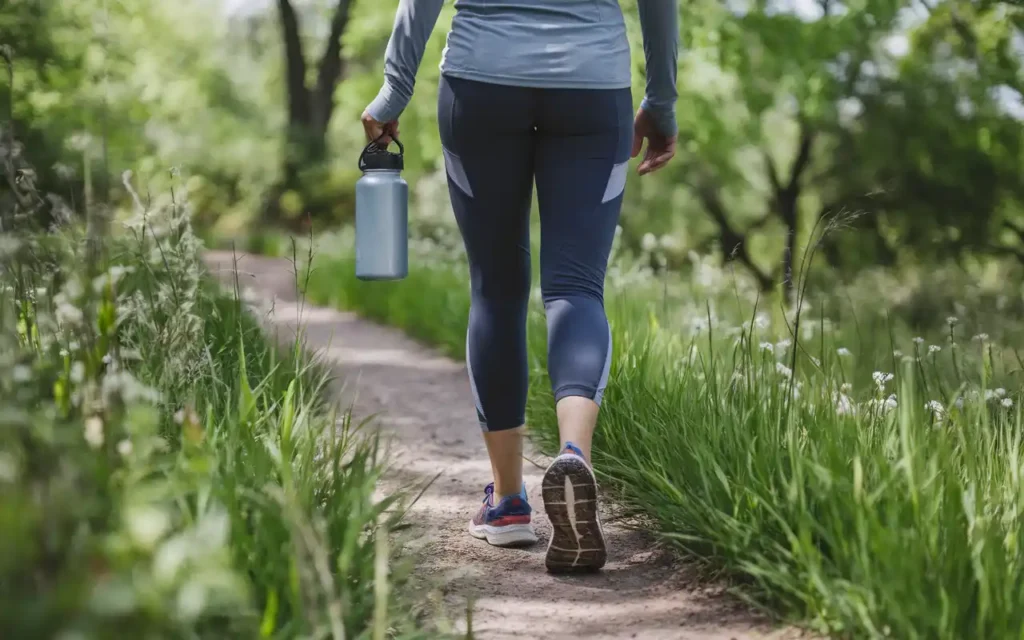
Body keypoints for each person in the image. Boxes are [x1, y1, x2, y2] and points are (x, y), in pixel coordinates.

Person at [362, 0, 679, 574]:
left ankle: (508, 503)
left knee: (497, 288)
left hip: (481, 82)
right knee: (577, 288)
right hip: (593, 83)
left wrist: (394, 87)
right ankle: (574, 454)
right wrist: (661, 100)